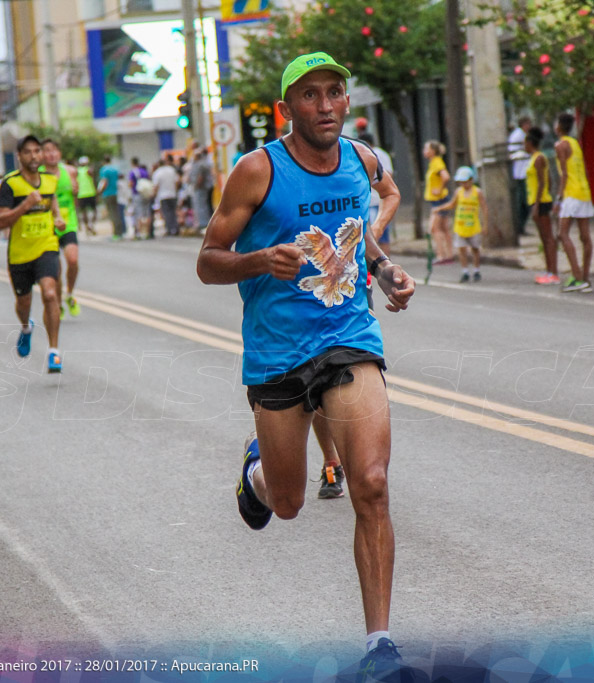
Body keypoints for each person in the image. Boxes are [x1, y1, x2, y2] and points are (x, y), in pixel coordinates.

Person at [196, 52, 415, 678]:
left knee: (370, 483)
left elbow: (358, 229)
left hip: (348, 335)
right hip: (277, 351)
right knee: (288, 503)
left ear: (348, 101)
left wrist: (384, 270)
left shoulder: (363, 161)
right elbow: (209, 259)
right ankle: (257, 475)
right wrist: (259, 260)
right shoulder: (256, 171)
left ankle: (380, 646)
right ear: (287, 108)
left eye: (335, 93)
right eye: (311, 95)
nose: (325, 105)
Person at [0, 135, 66, 373]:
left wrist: (57, 217)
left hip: (46, 245)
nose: (34, 156)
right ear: (19, 156)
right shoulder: (10, 185)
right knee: (23, 303)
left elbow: (51, 201)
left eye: (37, 151)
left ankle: (54, 351)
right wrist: (24, 206)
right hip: (19, 254)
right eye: (28, 152)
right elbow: (1, 221)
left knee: (49, 293)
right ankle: (26, 327)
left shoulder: (49, 181)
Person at [41, 139, 82, 318]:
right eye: (47, 151)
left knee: (72, 260)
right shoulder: (38, 175)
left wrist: (76, 191)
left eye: (54, 150)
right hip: (48, 225)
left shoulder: (70, 171)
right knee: (55, 270)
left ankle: (70, 293)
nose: (51, 154)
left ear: (60, 153)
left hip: (68, 222)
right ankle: (57, 303)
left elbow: (76, 195)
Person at [554, 112, 594, 293]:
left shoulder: (561, 145)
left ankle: (577, 276)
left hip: (571, 193)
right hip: (584, 191)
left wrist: (558, 197)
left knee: (562, 234)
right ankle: (584, 277)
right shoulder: (575, 144)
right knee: (585, 237)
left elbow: (564, 173)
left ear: (559, 127)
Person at [432, 166, 486, 283]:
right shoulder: (459, 192)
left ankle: (476, 270)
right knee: (462, 250)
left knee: (475, 249)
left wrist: (485, 225)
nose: (464, 184)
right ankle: (465, 271)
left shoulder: (477, 192)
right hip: (460, 226)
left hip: (473, 226)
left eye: (466, 181)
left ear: (471, 180)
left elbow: (484, 208)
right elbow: (452, 204)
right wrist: (439, 208)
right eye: (461, 182)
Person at [524, 129, 559, 285]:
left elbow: (542, 182)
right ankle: (548, 270)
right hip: (538, 200)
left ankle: (553, 272)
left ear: (530, 143)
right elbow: (549, 179)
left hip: (541, 201)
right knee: (544, 239)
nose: (523, 146)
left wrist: (537, 204)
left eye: (525, 143)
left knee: (548, 238)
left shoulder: (538, 158)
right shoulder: (534, 158)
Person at [359, 133, 394, 256]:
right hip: (368, 202)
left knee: (379, 235)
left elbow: (389, 180)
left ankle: (384, 263)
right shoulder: (379, 153)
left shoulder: (370, 154)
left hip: (377, 201)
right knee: (371, 237)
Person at [424, 139, 454, 264]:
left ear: (433, 151)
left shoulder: (437, 163)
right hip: (438, 200)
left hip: (439, 200)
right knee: (444, 228)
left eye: (426, 149)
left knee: (435, 229)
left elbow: (446, 176)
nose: (424, 151)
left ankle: (442, 255)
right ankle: (449, 254)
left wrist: (440, 189)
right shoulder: (433, 163)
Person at [507, 116, 532, 236]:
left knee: (526, 202)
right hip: (520, 173)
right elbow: (512, 153)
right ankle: (519, 226)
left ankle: (521, 226)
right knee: (523, 202)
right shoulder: (517, 135)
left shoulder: (524, 135)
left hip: (526, 172)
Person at [96, 155, 123, 240]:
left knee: (112, 214)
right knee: (116, 213)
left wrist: (99, 191)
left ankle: (116, 234)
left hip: (108, 193)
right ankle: (120, 232)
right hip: (116, 192)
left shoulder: (104, 169)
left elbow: (104, 181)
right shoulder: (115, 169)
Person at [151, 157, 180, 236]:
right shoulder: (171, 170)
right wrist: (175, 190)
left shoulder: (157, 173)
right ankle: (176, 228)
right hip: (172, 194)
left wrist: (154, 195)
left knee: (167, 213)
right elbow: (177, 181)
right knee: (173, 212)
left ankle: (170, 229)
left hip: (163, 195)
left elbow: (156, 186)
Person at [187, 148, 215, 231]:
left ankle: (204, 223)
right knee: (201, 205)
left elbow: (200, 177)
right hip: (201, 188)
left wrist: (197, 186)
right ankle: (203, 222)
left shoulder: (200, 165)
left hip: (201, 188)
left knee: (202, 206)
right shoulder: (200, 164)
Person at [128, 157, 153, 239]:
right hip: (146, 194)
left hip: (137, 194)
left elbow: (131, 184)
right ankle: (148, 233)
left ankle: (138, 233)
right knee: (147, 213)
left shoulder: (132, 172)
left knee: (138, 214)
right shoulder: (144, 171)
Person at [75, 156, 98, 235]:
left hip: (81, 194)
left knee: (84, 211)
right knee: (94, 210)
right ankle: (91, 225)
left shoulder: (77, 171)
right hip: (90, 193)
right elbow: (93, 179)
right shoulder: (89, 170)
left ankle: (87, 227)